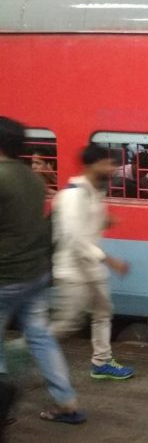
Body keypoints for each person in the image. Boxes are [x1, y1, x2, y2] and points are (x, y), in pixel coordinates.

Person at [0, 116, 85, 425]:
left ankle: (2, 404)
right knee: (41, 338)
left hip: (4, 276)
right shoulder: (33, 179)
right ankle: (66, 401)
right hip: (35, 275)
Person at [50, 144, 134, 380]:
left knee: (103, 312)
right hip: (72, 271)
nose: (113, 168)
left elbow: (87, 226)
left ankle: (102, 362)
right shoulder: (73, 195)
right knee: (67, 323)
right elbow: (74, 239)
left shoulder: (95, 192)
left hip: (91, 269)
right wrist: (110, 261)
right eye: (108, 163)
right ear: (92, 164)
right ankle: (24, 351)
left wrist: (105, 221)